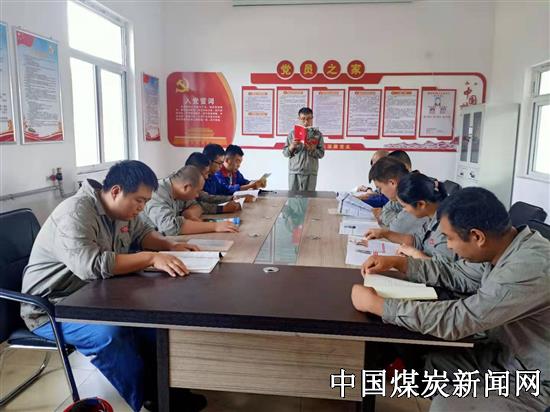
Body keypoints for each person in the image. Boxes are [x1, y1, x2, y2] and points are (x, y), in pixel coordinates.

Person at [21, 160, 206, 412]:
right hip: (52, 309)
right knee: (111, 335)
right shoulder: (75, 213)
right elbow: (91, 265)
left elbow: (142, 233)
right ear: (117, 191)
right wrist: (150, 258)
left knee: (155, 322)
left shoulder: (120, 211)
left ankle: (165, 389)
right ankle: (146, 397)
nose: (141, 208)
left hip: (94, 294)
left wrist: (169, 245)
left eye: (145, 202)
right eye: (139, 201)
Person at [351, 187, 550, 411]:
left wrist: (379, 305)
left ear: (477, 237)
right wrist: (400, 263)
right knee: (430, 365)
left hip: (537, 379)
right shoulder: (504, 247)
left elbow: (459, 320)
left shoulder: (530, 266)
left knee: (446, 406)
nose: (449, 246)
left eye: (450, 238)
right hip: (505, 356)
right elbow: (457, 273)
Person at [362, 172, 454, 260]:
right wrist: (385, 233)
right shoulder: (430, 216)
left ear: (421, 204)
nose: (404, 211)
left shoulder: (446, 229)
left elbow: (443, 268)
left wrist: (416, 254)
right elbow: (417, 241)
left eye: (405, 207)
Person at [143, 165, 238, 236]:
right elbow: (169, 228)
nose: (197, 195)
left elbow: (196, 205)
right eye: (197, 191)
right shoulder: (157, 192)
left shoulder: (178, 191)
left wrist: (190, 214)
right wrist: (215, 226)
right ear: (186, 187)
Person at [368, 156, 428, 234]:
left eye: (380, 188)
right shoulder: (400, 193)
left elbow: (397, 228)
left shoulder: (414, 192)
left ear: (392, 183)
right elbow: (387, 208)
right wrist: (397, 217)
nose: (381, 192)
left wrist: (381, 215)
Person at [182, 152, 242, 220]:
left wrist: (231, 198)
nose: (206, 177)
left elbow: (205, 198)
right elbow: (197, 207)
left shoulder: (210, 177)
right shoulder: (184, 190)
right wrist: (222, 209)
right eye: (205, 173)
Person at [282, 107, 325, 191]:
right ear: (299, 119)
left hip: (311, 173)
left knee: (309, 198)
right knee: (293, 197)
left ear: (312, 119)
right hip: (294, 172)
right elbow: (285, 153)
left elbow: (321, 154)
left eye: (309, 119)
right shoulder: (292, 134)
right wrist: (292, 146)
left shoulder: (318, 135)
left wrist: (312, 149)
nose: (306, 122)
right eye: (303, 119)